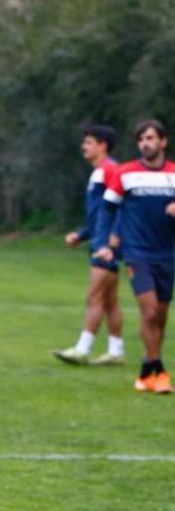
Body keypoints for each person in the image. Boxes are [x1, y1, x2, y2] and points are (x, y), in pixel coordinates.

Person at [94, 119, 175, 393]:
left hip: (168, 253)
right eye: (141, 139)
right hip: (137, 252)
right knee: (150, 310)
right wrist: (105, 242)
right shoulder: (126, 173)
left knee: (160, 316)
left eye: (151, 138)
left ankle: (145, 371)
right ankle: (160, 371)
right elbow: (107, 209)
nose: (145, 143)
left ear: (163, 142)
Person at [53, 125, 124, 366]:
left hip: (105, 245)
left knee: (94, 296)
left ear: (103, 145)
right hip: (99, 240)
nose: (84, 147)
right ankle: (116, 351)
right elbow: (98, 216)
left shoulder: (111, 170)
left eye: (90, 142)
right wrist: (82, 235)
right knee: (110, 299)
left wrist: (113, 237)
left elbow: (122, 206)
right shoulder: (99, 172)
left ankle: (83, 349)